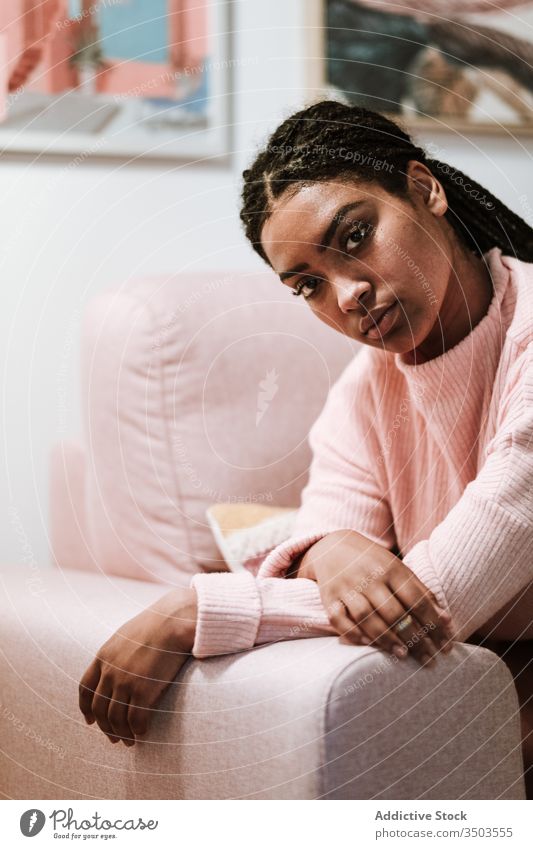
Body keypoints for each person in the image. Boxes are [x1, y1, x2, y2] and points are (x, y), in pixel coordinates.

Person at [78, 99, 533, 794]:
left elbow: (435, 602)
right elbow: (336, 535)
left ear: (424, 189)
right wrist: (328, 547)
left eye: (355, 236)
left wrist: (195, 608)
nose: (347, 295)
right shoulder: (363, 390)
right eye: (308, 285)